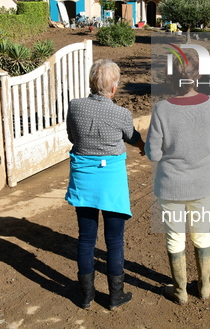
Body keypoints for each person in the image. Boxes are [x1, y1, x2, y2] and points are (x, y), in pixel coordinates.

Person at [145, 53, 210, 304]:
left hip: (171, 185)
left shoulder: (162, 109)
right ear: (198, 75)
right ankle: (204, 287)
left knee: (175, 237)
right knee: (202, 235)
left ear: (169, 78)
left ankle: (180, 291)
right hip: (202, 183)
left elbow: (153, 154)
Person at [65, 59, 145, 310]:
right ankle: (114, 296)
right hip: (111, 180)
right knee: (115, 241)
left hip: (84, 178)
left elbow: (71, 135)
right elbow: (132, 137)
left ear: (91, 82)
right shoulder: (121, 113)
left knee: (86, 239)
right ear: (113, 88)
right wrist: (142, 145)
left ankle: (87, 295)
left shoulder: (75, 106)